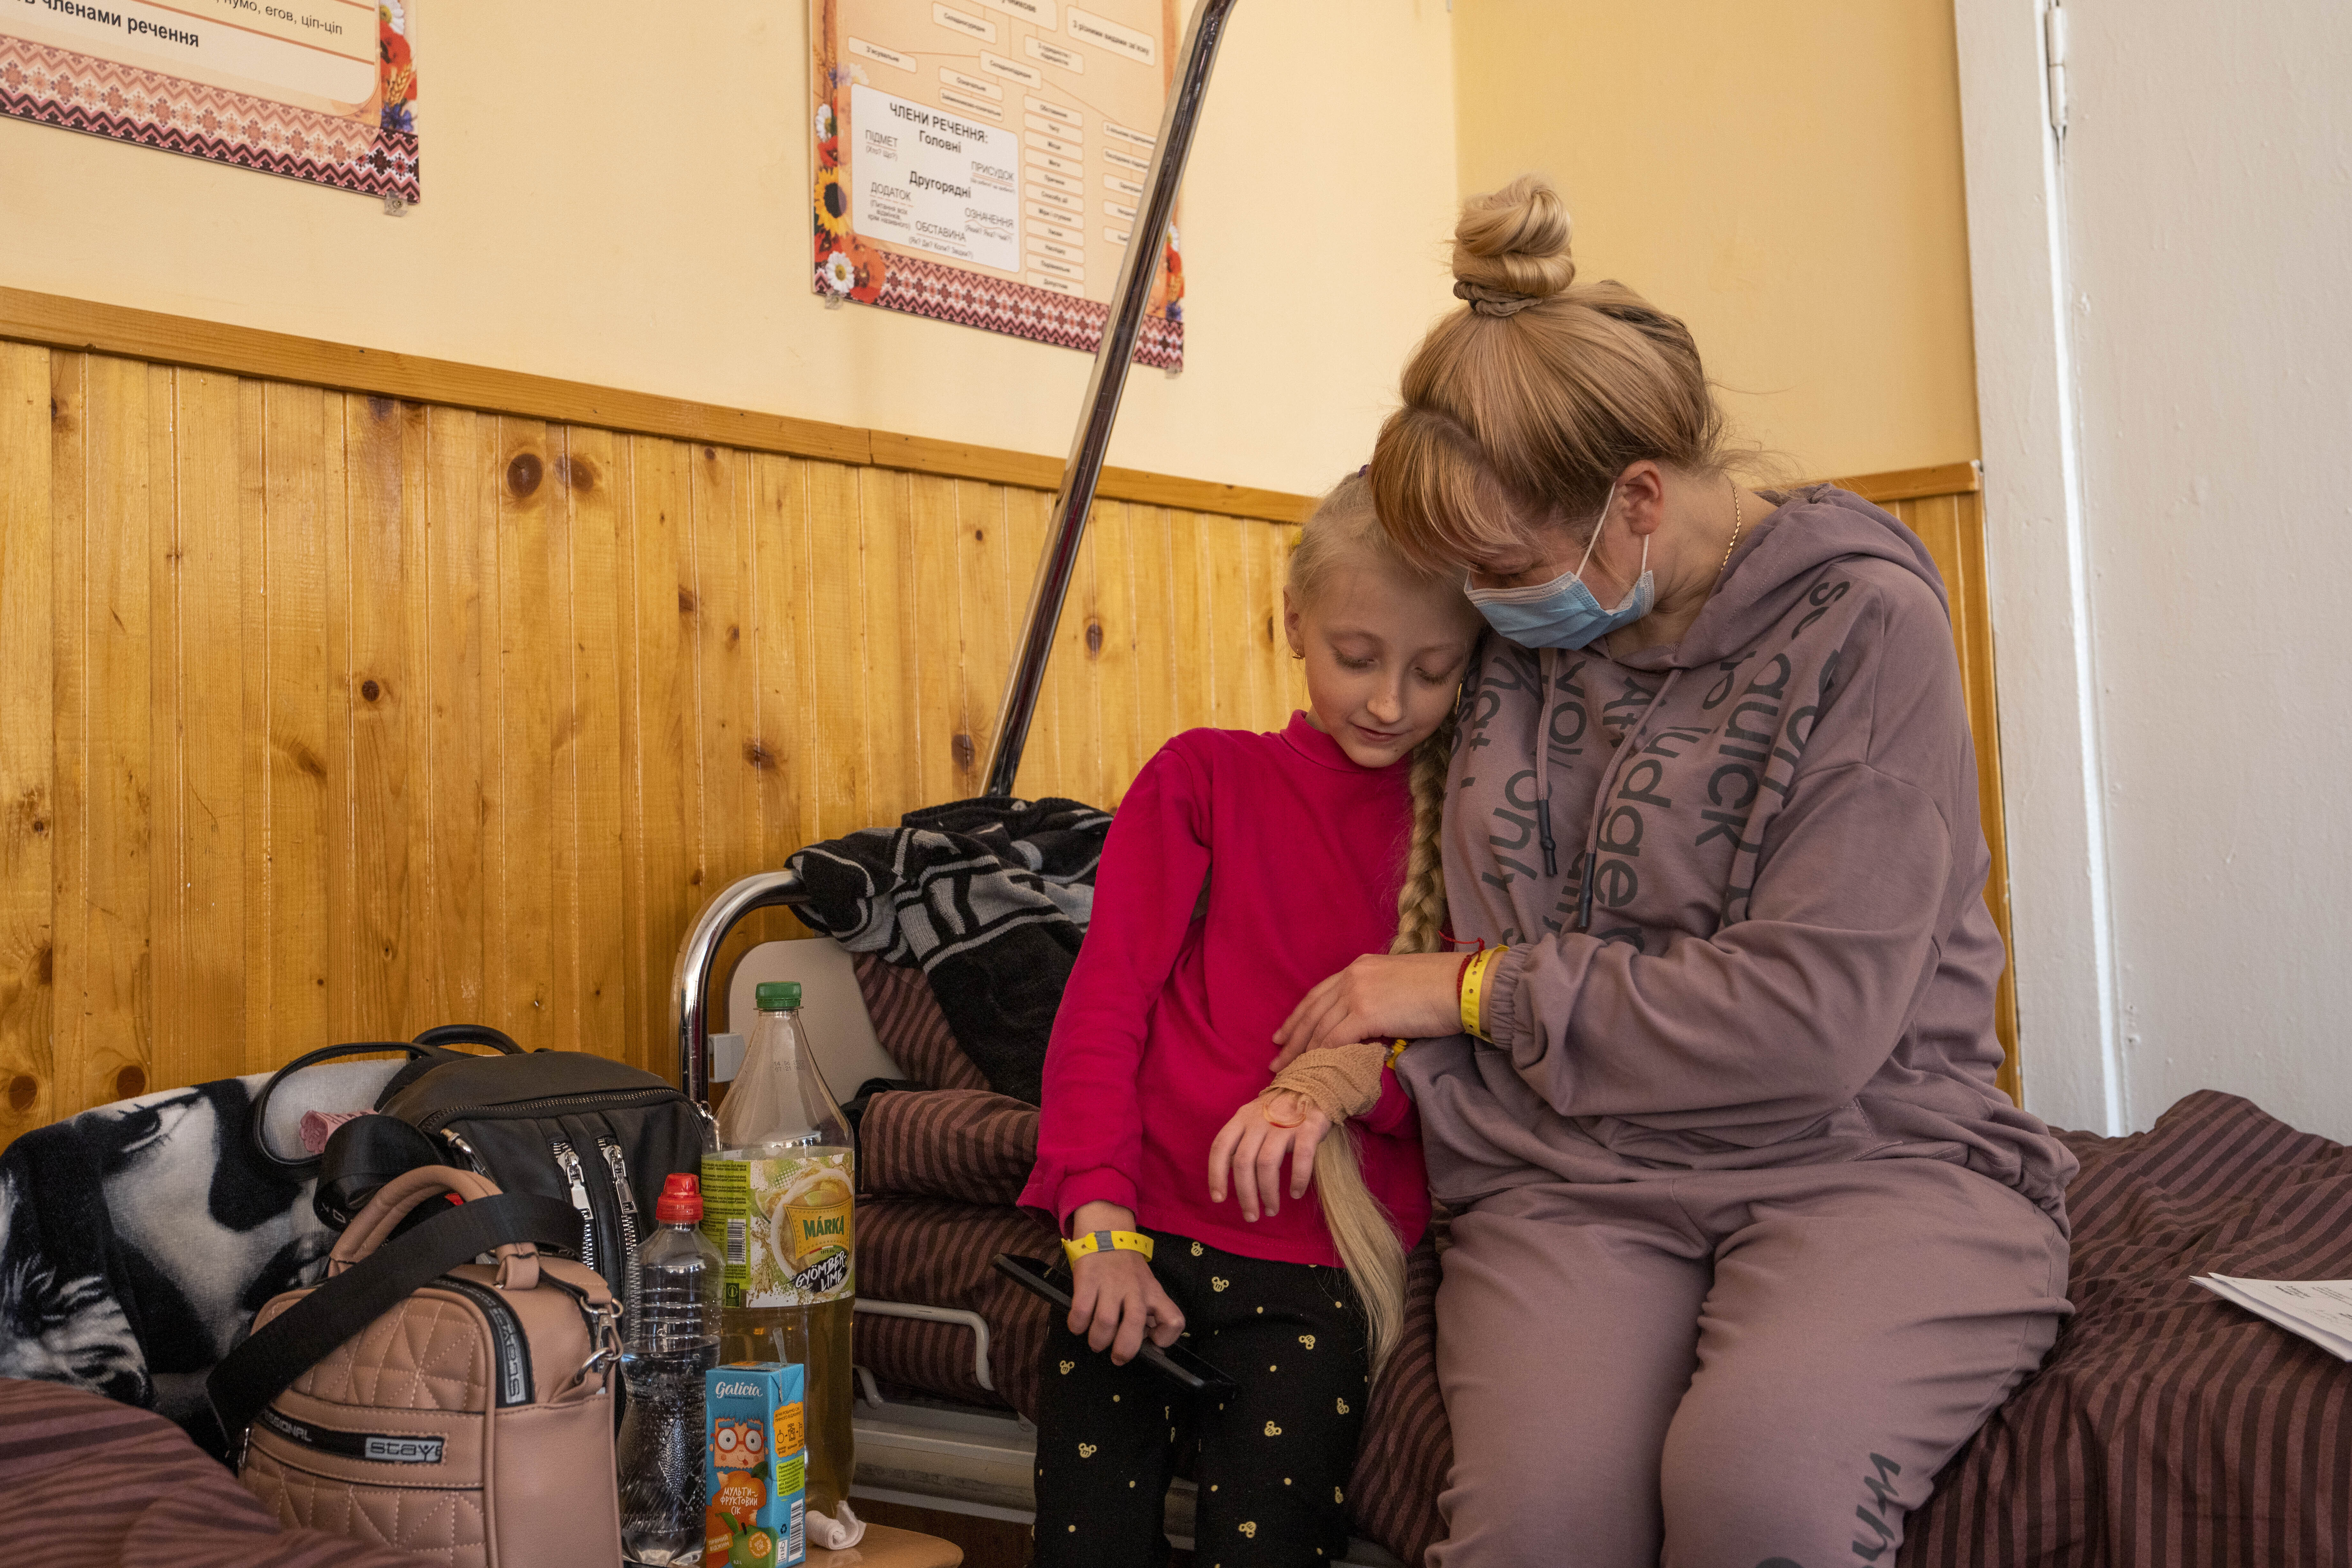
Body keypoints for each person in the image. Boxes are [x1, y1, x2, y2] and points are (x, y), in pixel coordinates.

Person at [1268, 176, 2079, 1567]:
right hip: (1569, 1174)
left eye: (1506, 566)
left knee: (1757, 1488)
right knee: (1536, 1530)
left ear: (1635, 500)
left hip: (1864, 1157)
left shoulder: (1865, 629)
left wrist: (1473, 989)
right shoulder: (1507, 628)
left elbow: (1809, 1018)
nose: (1486, 610)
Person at [1018, 471, 1480, 1568]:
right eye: (1356, 657)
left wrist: (1352, 1087)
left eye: (1432, 671)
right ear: (1292, 624)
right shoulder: (1202, 778)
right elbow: (1104, 1007)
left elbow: (1461, 1073)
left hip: (1319, 1278)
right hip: (1134, 1248)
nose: (1387, 703)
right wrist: (1099, 1229)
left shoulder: (1472, 829)